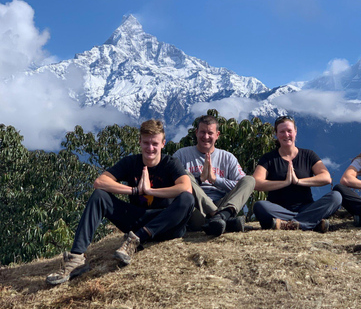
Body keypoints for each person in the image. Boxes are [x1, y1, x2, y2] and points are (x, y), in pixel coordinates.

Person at [46, 120, 195, 285]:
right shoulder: (131, 162)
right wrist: (135, 191)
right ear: (139, 141)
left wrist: (150, 191)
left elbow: (185, 187)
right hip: (137, 219)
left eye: (154, 143)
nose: (150, 148)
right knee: (99, 196)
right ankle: (76, 258)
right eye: (146, 143)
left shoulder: (170, 163)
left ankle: (137, 239)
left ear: (163, 144)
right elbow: (100, 182)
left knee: (187, 198)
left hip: (165, 225)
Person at [252, 116, 342, 232]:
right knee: (259, 206)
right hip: (278, 209)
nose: (286, 135)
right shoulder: (268, 158)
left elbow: (326, 178)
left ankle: (289, 224)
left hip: (306, 207)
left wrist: (298, 181)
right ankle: (311, 223)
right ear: (276, 134)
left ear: (295, 132)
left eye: (289, 131)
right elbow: (256, 182)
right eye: (282, 132)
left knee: (336, 197)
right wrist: (284, 182)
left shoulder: (308, 155)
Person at [173, 115, 255, 237]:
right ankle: (219, 217)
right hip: (197, 210)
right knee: (186, 176)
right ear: (196, 133)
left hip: (223, 204)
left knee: (249, 180)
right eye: (202, 132)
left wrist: (216, 180)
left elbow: (240, 185)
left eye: (210, 133)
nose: (206, 137)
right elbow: (172, 183)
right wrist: (200, 179)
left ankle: (220, 217)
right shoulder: (182, 155)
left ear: (217, 135)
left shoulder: (228, 157)